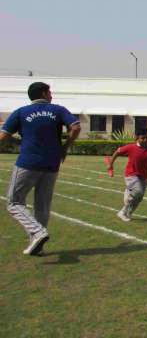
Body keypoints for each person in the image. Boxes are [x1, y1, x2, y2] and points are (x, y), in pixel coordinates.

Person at [0, 82, 81, 255]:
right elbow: (75, 127)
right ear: (44, 93)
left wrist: (19, 142)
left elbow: (3, 136)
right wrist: (65, 147)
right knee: (42, 205)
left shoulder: (21, 112)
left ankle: (37, 232)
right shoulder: (58, 110)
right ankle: (38, 247)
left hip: (28, 162)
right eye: (50, 92)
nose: (51, 95)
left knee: (14, 202)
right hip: (52, 164)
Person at [107, 127, 147, 221]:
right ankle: (122, 212)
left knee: (139, 197)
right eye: (143, 138)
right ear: (137, 138)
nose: (145, 140)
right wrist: (110, 164)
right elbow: (118, 151)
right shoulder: (131, 147)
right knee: (138, 191)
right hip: (131, 174)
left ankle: (128, 212)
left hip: (143, 176)